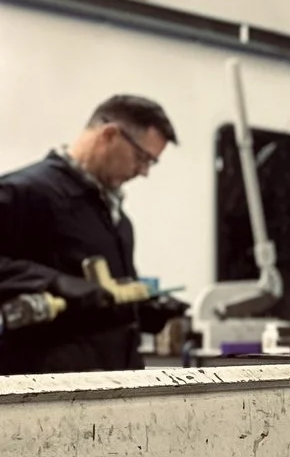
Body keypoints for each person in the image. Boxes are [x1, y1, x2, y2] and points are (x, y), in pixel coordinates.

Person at [0, 94, 185, 375]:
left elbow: (103, 302)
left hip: (112, 387)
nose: (144, 172)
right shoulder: (25, 193)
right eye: (141, 158)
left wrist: (144, 311)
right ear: (109, 135)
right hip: (46, 393)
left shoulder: (118, 220)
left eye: (151, 163)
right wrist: (54, 282)